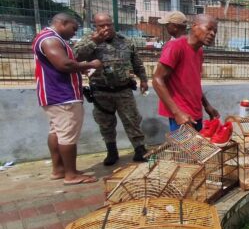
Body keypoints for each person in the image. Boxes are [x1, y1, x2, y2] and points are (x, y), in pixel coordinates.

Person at [32, 13, 102, 185]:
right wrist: (90, 64)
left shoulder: (49, 38)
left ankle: (59, 170)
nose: (74, 32)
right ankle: (71, 175)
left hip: (56, 95)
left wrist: (79, 69)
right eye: (73, 28)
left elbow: (63, 64)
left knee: (56, 132)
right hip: (62, 95)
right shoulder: (50, 39)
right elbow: (63, 64)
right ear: (63, 23)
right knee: (67, 136)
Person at [74, 14, 148, 166]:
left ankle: (140, 150)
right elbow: (75, 56)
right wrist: (95, 41)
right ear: (95, 26)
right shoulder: (89, 40)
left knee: (132, 120)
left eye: (109, 24)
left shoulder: (125, 41)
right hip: (101, 91)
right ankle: (112, 151)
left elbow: (137, 62)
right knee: (105, 123)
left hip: (123, 90)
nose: (106, 28)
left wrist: (144, 79)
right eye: (102, 26)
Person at [152, 14, 220, 132]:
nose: (212, 34)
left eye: (215, 31)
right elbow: (157, 80)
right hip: (182, 115)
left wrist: (206, 105)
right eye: (209, 29)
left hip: (195, 112)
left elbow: (194, 83)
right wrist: (177, 113)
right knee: (185, 145)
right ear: (194, 26)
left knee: (199, 144)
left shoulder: (199, 51)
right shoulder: (175, 46)